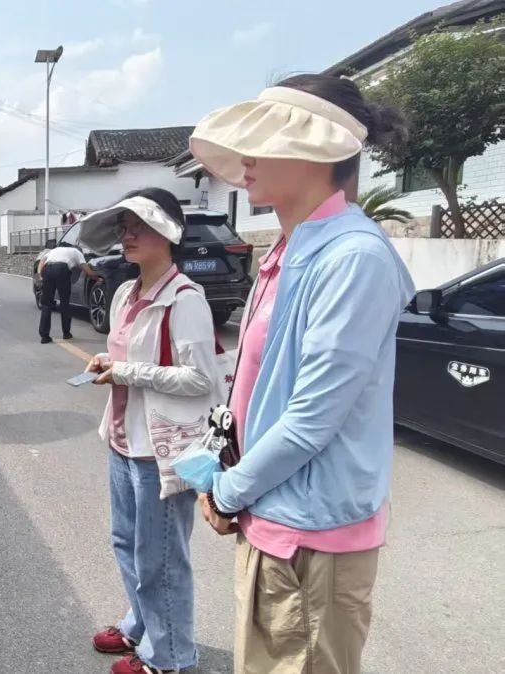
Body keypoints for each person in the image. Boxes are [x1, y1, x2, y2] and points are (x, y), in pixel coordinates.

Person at [189, 75, 415, 673]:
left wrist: (227, 491)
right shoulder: (292, 249)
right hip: (275, 518)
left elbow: (311, 418)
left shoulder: (351, 257)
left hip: (310, 538)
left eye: (264, 140)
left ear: (318, 150)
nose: (246, 157)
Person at [81, 188, 225, 674]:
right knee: (126, 543)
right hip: (122, 440)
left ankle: (169, 656)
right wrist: (108, 361)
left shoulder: (185, 299)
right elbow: (125, 356)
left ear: (169, 232)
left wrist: (127, 372)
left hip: (160, 451)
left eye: (139, 225)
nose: (128, 235)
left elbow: (202, 379)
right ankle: (141, 625)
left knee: (160, 558)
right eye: (124, 226)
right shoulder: (126, 292)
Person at [37, 242, 100, 343]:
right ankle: (66, 333)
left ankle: (44, 336)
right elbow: (86, 269)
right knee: (64, 303)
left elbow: (42, 261)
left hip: (48, 270)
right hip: (62, 270)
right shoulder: (76, 252)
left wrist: (40, 274)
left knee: (46, 304)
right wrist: (97, 278)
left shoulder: (54, 250)